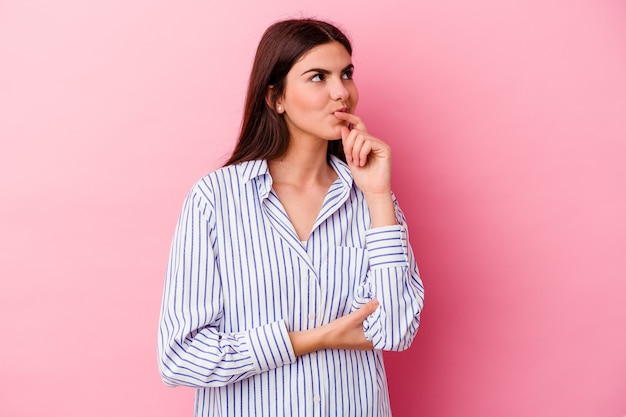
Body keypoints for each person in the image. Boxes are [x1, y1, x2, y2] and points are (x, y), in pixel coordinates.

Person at [157, 18, 425, 417]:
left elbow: (395, 329)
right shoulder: (215, 200)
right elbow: (180, 357)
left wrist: (377, 194)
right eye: (318, 77)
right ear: (275, 97)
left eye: (346, 74)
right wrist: (314, 339)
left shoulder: (370, 199)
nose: (342, 93)